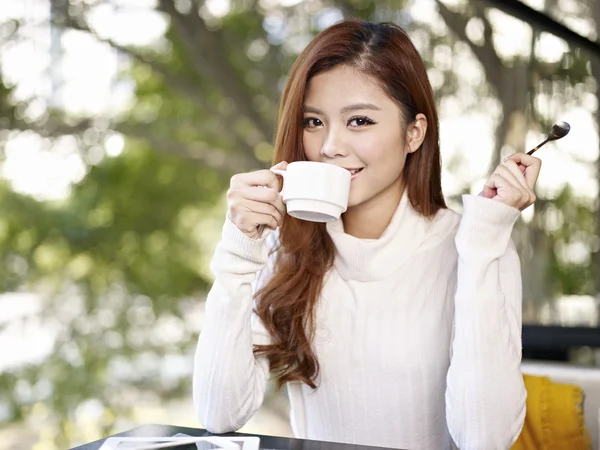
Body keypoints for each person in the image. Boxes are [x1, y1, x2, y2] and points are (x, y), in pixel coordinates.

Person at [193, 19, 541, 450]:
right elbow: (218, 414)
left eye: (359, 120)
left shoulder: (475, 248)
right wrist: (238, 249)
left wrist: (482, 245)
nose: (329, 146)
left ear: (414, 132)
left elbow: (484, 439)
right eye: (313, 121)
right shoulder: (284, 247)